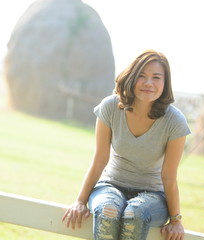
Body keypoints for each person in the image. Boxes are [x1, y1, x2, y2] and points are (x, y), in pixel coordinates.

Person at [62, 50, 190, 240]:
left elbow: (169, 177)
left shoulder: (175, 121)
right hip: (110, 185)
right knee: (108, 210)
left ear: (165, 83)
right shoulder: (110, 107)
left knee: (135, 213)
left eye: (156, 77)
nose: (148, 83)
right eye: (142, 76)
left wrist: (176, 220)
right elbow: (99, 160)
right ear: (131, 77)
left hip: (153, 195)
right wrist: (80, 201)